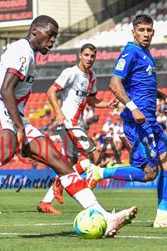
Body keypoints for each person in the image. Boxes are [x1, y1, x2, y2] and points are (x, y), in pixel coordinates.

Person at [0, 15, 137, 237]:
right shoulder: (22, 50)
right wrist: (20, 128)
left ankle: (103, 215)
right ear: (35, 31)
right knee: (6, 150)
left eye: (55, 38)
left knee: (60, 162)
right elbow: (5, 90)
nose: (52, 42)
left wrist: (20, 124)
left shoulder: (28, 53)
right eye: (50, 36)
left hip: (13, 112)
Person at [88, 14, 167, 228]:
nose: (145, 34)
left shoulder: (146, 54)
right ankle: (100, 172)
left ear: (153, 32)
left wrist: (162, 96)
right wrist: (133, 108)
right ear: (133, 31)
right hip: (139, 123)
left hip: (150, 121)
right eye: (141, 30)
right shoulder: (130, 52)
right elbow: (114, 83)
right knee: (149, 173)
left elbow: (142, 85)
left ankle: (162, 217)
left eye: (149, 30)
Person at [37, 43, 119, 214]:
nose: (89, 59)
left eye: (92, 56)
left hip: (77, 125)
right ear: (80, 55)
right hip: (68, 123)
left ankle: (46, 201)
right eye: (87, 55)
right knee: (94, 155)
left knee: (68, 166)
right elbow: (51, 91)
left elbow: (91, 101)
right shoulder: (70, 73)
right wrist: (58, 113)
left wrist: (107, 104)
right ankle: (77, 193)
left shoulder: (92, 77)